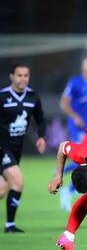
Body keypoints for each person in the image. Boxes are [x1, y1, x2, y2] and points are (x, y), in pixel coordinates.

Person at [0, 64, 46, 233]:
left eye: (26, 75)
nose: (23, 79)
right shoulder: (3, 96)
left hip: (16, 149)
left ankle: (9, 225)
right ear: (12, 76)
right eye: (19, 75)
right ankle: (10, 226)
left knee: (2, 190)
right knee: (18, 183)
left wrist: (41, 136)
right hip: (2, 148)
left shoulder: (32, 96)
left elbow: (40, 119)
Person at [59, 57, 87, 211]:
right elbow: (64, 103)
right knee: (84, 157)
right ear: (84, 67)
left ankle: (66, 177)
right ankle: (68, 190)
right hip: (79, 126)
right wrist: (75, 117)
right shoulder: (75, 82)